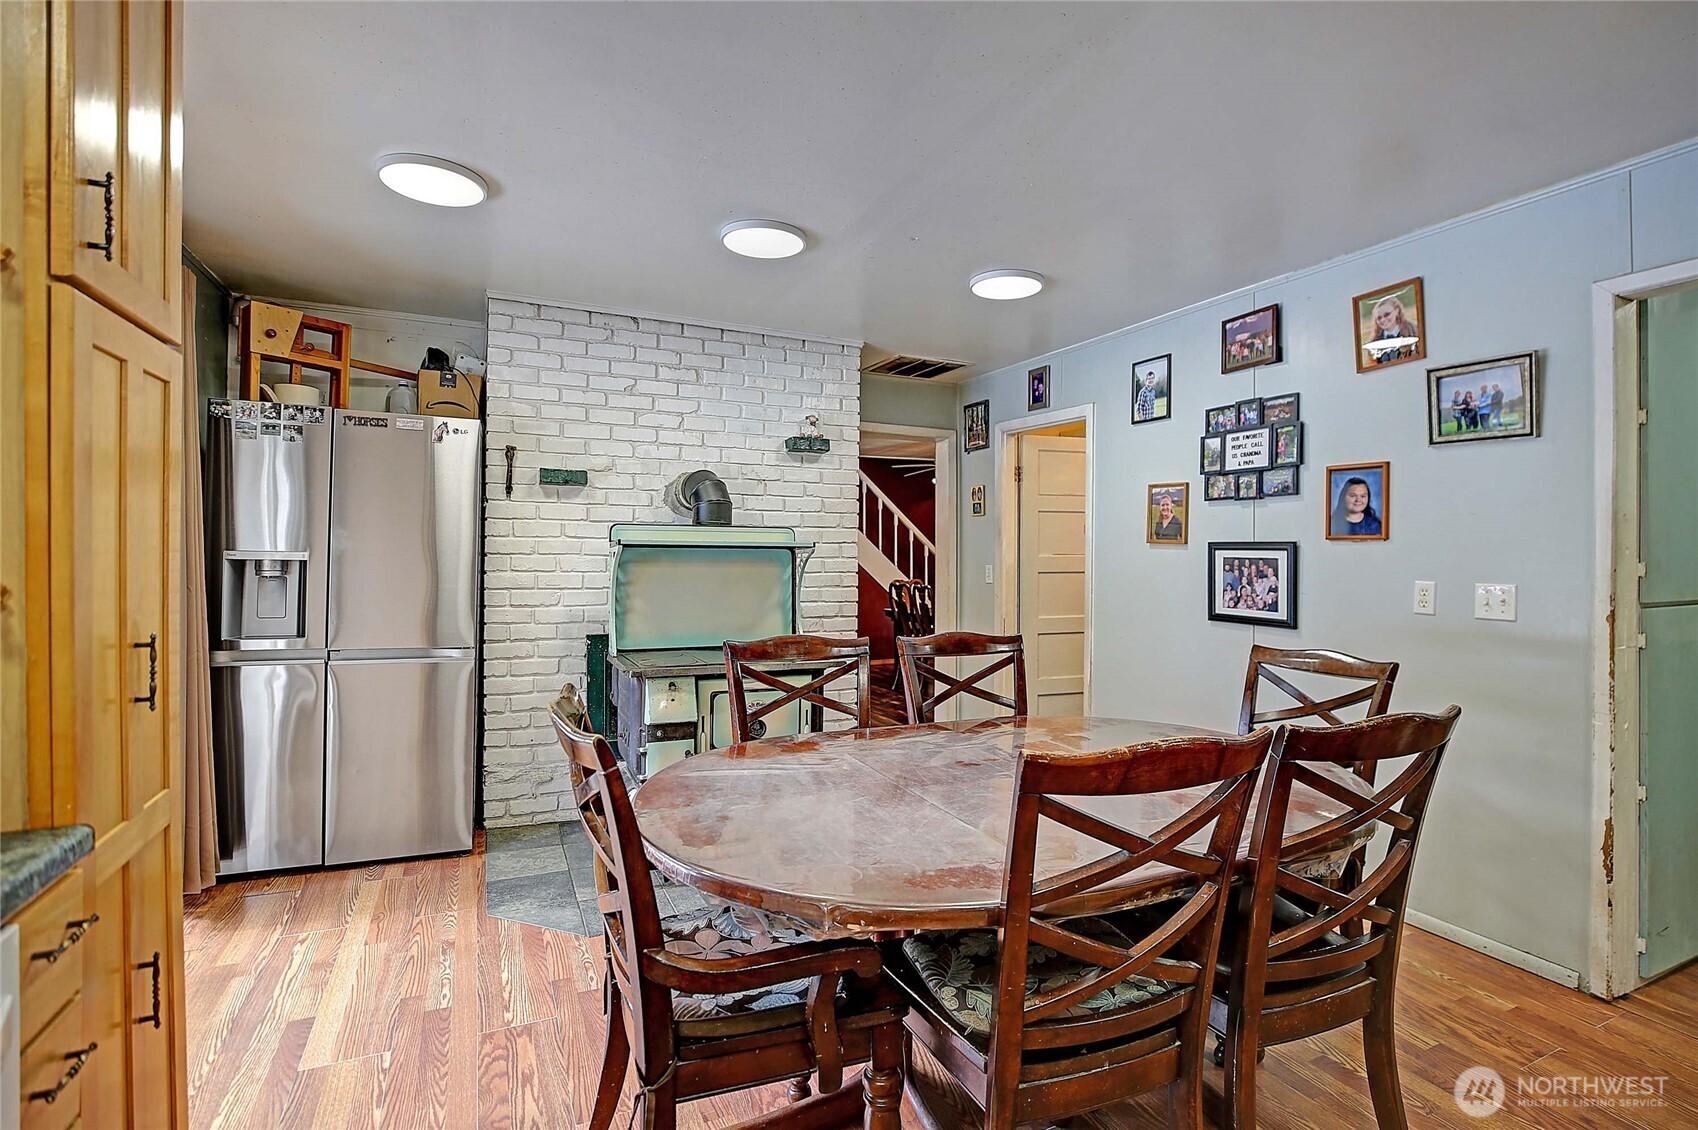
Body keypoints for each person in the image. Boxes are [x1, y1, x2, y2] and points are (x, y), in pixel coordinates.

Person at [1365, 293, 1420, 364]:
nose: (1383, 320)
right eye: (1379, 318)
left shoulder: (1413, 331)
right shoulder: (1375, 340)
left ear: (1397, 311)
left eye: (1387, 314)